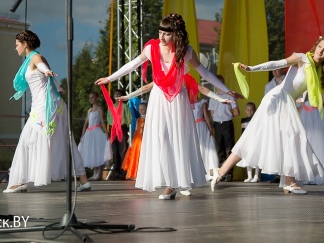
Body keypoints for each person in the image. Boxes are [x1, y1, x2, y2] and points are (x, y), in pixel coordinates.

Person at [95, 13, 242, 200]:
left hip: (178, 100)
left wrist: (226, 91)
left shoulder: (186, 52)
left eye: (167, 34)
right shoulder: (152, 48)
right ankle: (169, 182)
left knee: (177, 140)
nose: (162, 37)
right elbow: (132, 64)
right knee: (160, 138)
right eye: (160, 32)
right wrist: (110, 78)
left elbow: (205, 73)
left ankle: (174, 185)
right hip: (158, 99)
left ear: (177, 34)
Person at [210, 34, 324, 195]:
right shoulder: (302, 58)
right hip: (277, 99)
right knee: (289, 135)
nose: (321, 51)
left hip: (287, 102)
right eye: (320, 47)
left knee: (279, 137)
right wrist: (252, 68)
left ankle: (220, 172)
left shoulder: (317, 72)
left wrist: (300, 100)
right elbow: (277, 63)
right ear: (316, 45)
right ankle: (289, 181)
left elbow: (301, 90)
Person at [5, 30, 91, 193]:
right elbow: (50, 78)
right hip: (46, 104)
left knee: (27, 139)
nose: (15, 48)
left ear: (25, 44)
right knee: (63, 140)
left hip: (47, 106)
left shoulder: (35, 57)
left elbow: (44, 69)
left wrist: (46, 71)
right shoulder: (31, 59)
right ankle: (83, 180)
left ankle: (20, 181)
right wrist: (58, 87)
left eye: (17, 45)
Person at [208, 74, 240, 182]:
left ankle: (229, 173)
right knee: (219, 149)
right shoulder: (213, 97)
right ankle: (221, 172)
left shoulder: (230, 96)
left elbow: (236, 112)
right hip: (217, 124)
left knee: (229, 148)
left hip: (227, 124)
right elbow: (212, 113)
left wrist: (228, 115)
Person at [78, 92, 111, 181]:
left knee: (98, 152)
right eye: (90, 98)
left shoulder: (99, 109)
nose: (91, 99)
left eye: (93, 97)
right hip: (89, 132)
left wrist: (106, 132)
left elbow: (102, 121)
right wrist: (83, 134)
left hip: (97, 131)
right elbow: (86, 123)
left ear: (97, 98)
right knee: (92, 153)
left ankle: (99, 173)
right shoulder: (89, 111)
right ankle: (95, 173)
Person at [264, 69, 285, 184]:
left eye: (277, 69)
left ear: (282, 70)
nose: (275, 72)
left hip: (287, 113)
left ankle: (288, 173)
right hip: (274, 117)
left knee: (287, 143)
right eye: (273, 70)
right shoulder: (269, 85)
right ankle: (278, 173)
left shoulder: (288, 80)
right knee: (276, 143)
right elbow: (266, 102)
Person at [106, 89, 132, 180]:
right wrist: (113, 124)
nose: (117, 96)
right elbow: (109, 118)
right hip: (114, 129)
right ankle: (116, 171)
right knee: (115, 150)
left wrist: (123, 123)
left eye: (119, 95)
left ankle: (123, 171)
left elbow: (129, 118)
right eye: (115, 95)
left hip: (122, 128)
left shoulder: (125, 106)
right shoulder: (111, 107)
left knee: (122, 149)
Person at [121, 102, 147, 180]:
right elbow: (136, 130)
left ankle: (144, 174)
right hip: (137, 140)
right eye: (139, 109)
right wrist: (133, 141)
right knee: (136, 156)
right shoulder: (138, 119)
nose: (141, 111)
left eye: (143, 109)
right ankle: (136, 173)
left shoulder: (149, 119)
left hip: (144, 139)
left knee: (143, 156)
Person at [239, 102, 260, 183]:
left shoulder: (257, 119)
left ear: (254, 110)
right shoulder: (243, 120)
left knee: (256, 158)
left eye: (251, 110)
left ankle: (256, 176)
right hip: (247, 141)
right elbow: (243, 131)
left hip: (255, 140)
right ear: (245, 110)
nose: (249, 111)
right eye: (248, 110)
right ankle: (249, 176)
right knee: (247, 158)